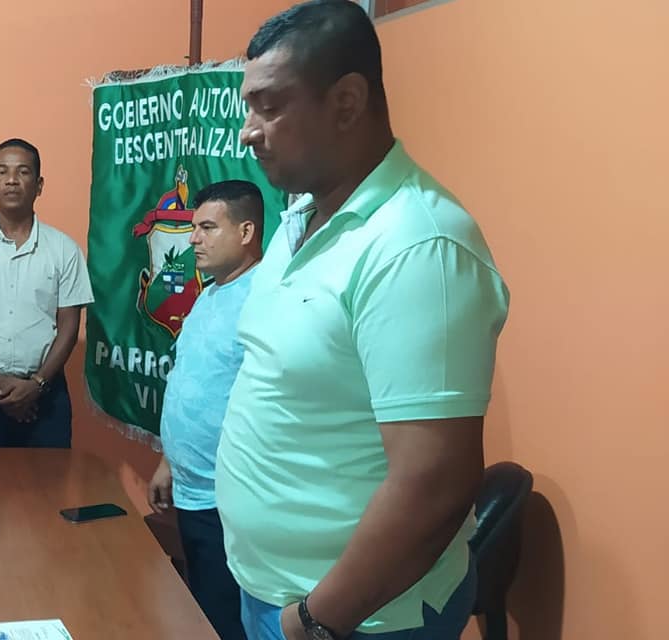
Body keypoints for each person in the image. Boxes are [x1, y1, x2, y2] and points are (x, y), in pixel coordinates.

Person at [216, 2, 511, 639]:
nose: (247, 132)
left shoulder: (415, 245)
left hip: (357, 621)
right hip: (269, 588)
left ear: (347, 102)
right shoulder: (299, 218)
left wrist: (315, 621)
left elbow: (435, 483)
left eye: (269, 107)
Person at [147, 180, 265, 640]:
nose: (193, 238)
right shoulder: (211, 293)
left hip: (230, 502)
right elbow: (192, 383)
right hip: (191, 491)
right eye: (194, 227)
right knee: (201, 611)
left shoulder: (263, 300)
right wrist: (167, 461)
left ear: (246, 231)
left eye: (207, 228)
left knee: (225, 621)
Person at [0, 138, 94, 448]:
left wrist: (36, 384)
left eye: (23, 172)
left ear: (39, 185)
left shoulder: (64, 250)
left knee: (51, 479)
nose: (11, 180)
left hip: (47, 394)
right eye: (2, 172)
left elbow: (69, 326)